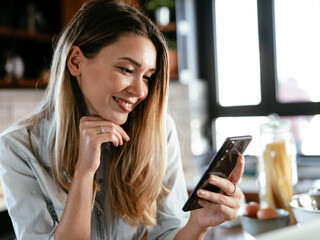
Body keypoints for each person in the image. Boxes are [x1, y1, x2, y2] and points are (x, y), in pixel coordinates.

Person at [0, 0, 245, 239]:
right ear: (76, 61)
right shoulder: (18, 148)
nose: (140, 91)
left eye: (147, 76)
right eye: (127, 70)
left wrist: (198, 224)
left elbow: (169, 234)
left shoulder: (159, 131)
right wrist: (84, 172)